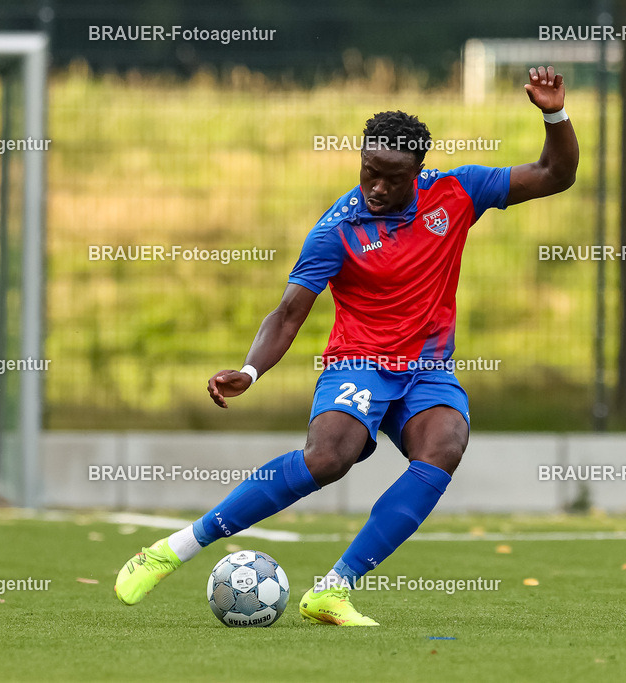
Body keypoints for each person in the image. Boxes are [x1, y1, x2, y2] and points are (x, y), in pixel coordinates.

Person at [114, 66, 578, 626]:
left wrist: (554, 114)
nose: (376, 187)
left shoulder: (458, 193)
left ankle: (334, 588)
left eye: (391, 178)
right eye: (368, 172)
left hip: (427, 369)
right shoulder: (338, 229)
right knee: (329, 458)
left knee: (445, 443)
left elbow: (556, 173)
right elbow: (288, 313)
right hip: (359, 362)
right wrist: (250, 371)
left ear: (418, 172)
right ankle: (174, 549)